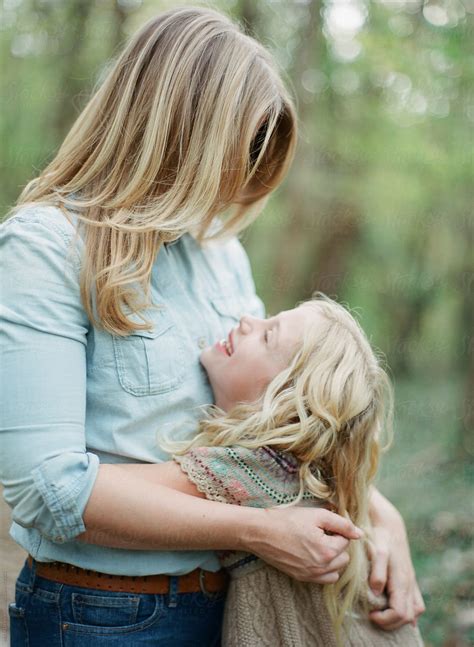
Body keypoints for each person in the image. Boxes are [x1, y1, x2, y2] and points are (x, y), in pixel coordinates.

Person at [0, 6, 424, 646]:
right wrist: (256, 529)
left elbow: (279, 423)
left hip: (231, 609)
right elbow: (47, 491)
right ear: (180, 129)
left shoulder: (219, 253)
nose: (247, 172)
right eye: (244, 145)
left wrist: (380, 516)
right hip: (101, 615)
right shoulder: (45, 248)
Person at [117, 294, 425, 646]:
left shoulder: (255, 470)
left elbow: (90, 487)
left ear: (285, 400)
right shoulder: (312, 468)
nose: (248, 319)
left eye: (267, 336)